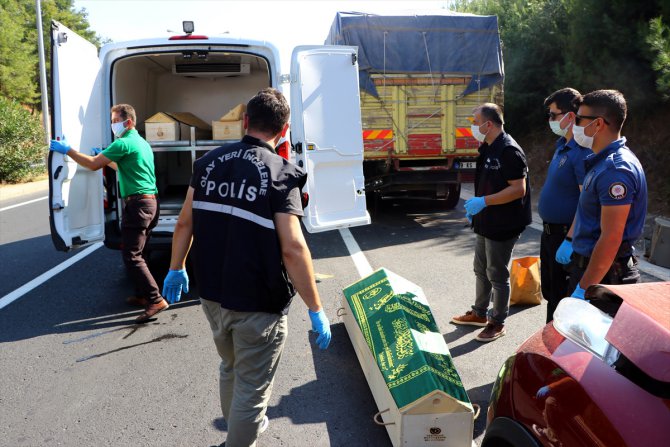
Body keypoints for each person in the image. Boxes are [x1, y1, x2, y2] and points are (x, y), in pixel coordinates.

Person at [161, 88, 332, 447]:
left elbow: (183, 224)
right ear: (284, 130)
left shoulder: (207, 162)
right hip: (257, 301)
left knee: (231, 366)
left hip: (212, 295)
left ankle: (241, 426)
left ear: (245, 121)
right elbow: (293, 248)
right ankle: (240, 438)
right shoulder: (282, 172)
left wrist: (176, 267)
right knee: (252, 388)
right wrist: (316, 308)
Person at [50, 104, 169, 323]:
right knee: (140, 253)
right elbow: (122, 167)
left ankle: (155, 299)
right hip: (151, 203)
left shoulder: (122, 142)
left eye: (115, 120)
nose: (113, 125)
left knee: (132, 255)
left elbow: (94, 165)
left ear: (128, 122)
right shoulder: (140, 142)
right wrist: (106, 158)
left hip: (139, 206)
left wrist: (68, 150)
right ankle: (144, 295)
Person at [451, 103, 532, 342]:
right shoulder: (488, 147)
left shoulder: (509, 150)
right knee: (481, 269)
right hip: (486, 219)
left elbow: (519, 189)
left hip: (504, 222)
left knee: (497, 274)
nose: (473, 126)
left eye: (475, 121)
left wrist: (483, 201)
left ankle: (497, 322)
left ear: (489, 124)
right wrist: (478, 208)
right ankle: (478, 313)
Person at [564, 90, 647, 298]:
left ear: (598, 124)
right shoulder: (602, 161)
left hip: (606, 278)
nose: (575, 126)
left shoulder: (615, 169)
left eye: (580, 119)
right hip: (597, 272)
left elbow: (611, 237)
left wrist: (584, 288)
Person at [538, 88, 592, 322]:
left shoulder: (581, 152)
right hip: (550, 233)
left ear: (570, 116)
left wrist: (569, 239)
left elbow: (586, 202)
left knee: (561, 299)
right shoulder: (562, 145)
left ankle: (553, 351)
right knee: (550, 293)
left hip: (565, 235)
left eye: (553, 115)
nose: (550, 120)